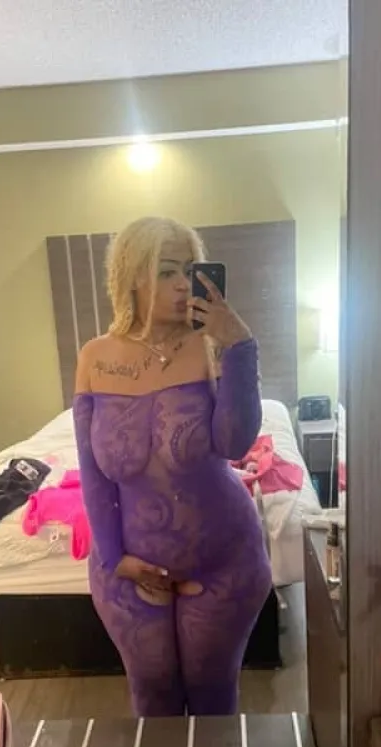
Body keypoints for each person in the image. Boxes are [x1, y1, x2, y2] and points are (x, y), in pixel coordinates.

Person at [73, 216, 272, 717]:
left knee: (213, 696)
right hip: (128, 569)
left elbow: (234, 443)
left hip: (225, 559)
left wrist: (239, 346)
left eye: (189, 269)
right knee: (152, 696)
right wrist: (114, 557)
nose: (184, 283)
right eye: (166, 271)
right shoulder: (95, 358)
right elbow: (93, 473)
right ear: (131, 278)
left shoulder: (209, 347)